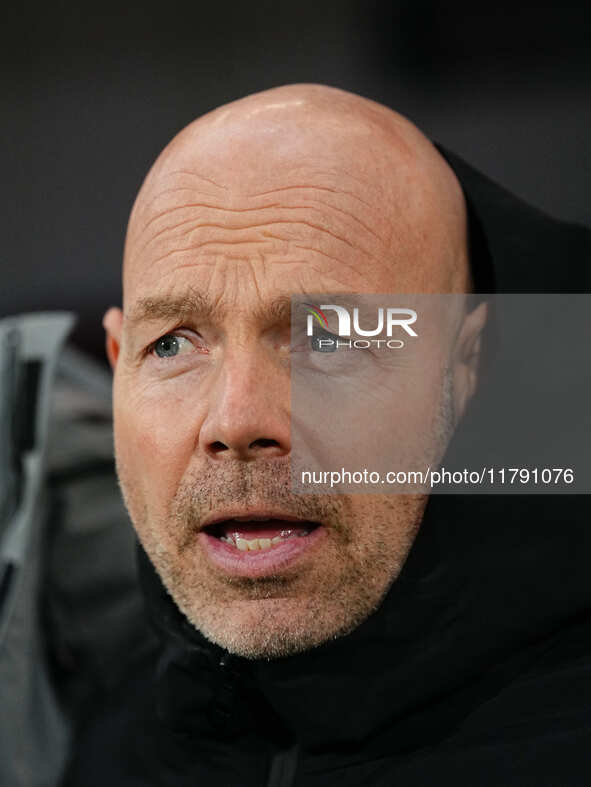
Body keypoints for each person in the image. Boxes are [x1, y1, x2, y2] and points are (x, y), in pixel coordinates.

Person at [63, 85, 590, 786]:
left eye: (330, 338)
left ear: (465, 367)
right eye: (172, 345)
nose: (236, 420)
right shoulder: (99, 745)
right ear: (116, 361)